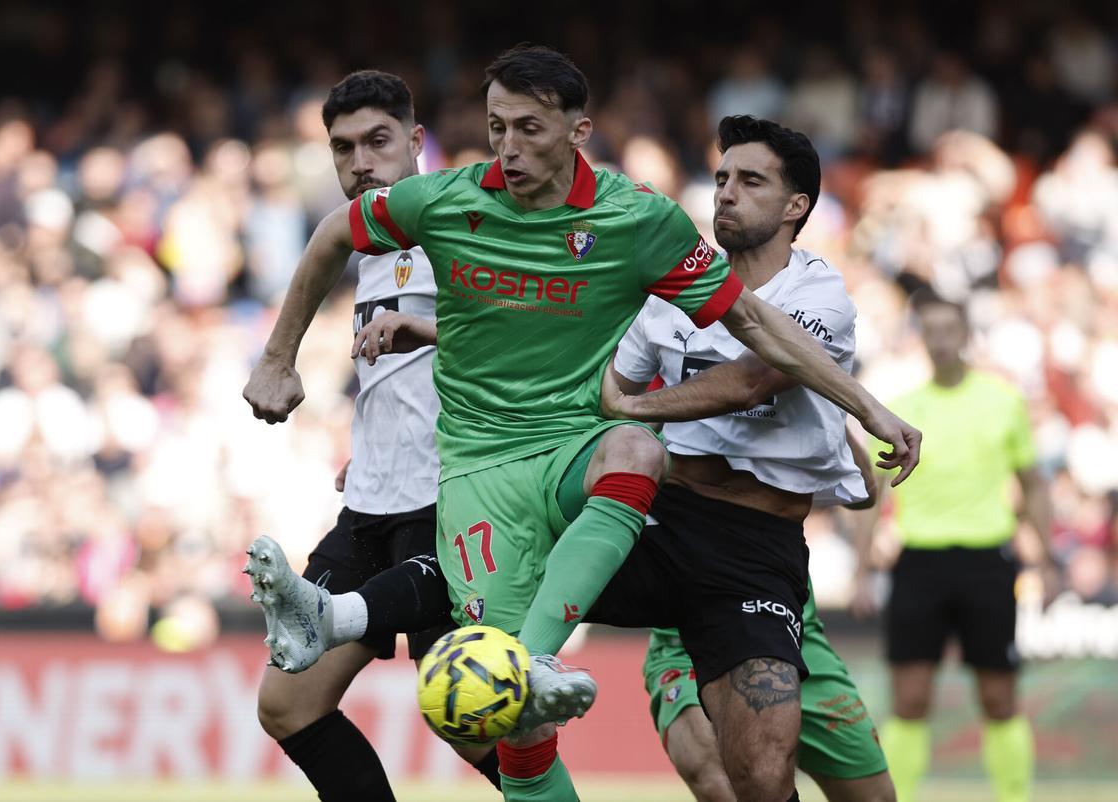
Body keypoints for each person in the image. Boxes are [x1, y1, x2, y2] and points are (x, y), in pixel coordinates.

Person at [244, 45, 920, 802]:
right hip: (482, 477)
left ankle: (475, 644)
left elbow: (757, 339)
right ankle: (491, 665)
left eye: (530, 127)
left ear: (578, 129)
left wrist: (868, 409)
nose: (509, 146)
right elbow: (342, 234)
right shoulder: (441, 205)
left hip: (589, 468)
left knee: (631, 451)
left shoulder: (639, 223)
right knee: (505, 727)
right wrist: (279, 357)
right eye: (498, 126)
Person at [591, 115, 893, 802]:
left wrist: (637, 411)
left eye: (749, 180)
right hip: (668, 527)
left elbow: (753, 378)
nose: (724, 192)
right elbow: (603, 383)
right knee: (717, 777)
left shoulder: (820, 296)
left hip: (761, 557)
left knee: (798, 782)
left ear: (797, 208)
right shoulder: (671, 291)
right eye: (721, 177)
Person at [248, 70, 499, 802]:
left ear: (417, 142)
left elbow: (516, 334)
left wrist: (276, 357)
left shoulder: (467, 220)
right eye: (343, 147)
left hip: (447, 496)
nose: (361, 161)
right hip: (370, 502)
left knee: (467, 716)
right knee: (287, 705)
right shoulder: (370, 244)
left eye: (378, 141)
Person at [849, 292, 1053, 802]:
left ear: (966, 336)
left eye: (949, 330)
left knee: (999, 698)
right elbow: (875, 496)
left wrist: (1045, 558)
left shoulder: (1003, 400)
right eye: (931, 330)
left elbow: (1033, 484)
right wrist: (859, 567)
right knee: (910, 700)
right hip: (919, 561)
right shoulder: (903, 408)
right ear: (922, 337)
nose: (940, 340)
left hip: (988, 559)